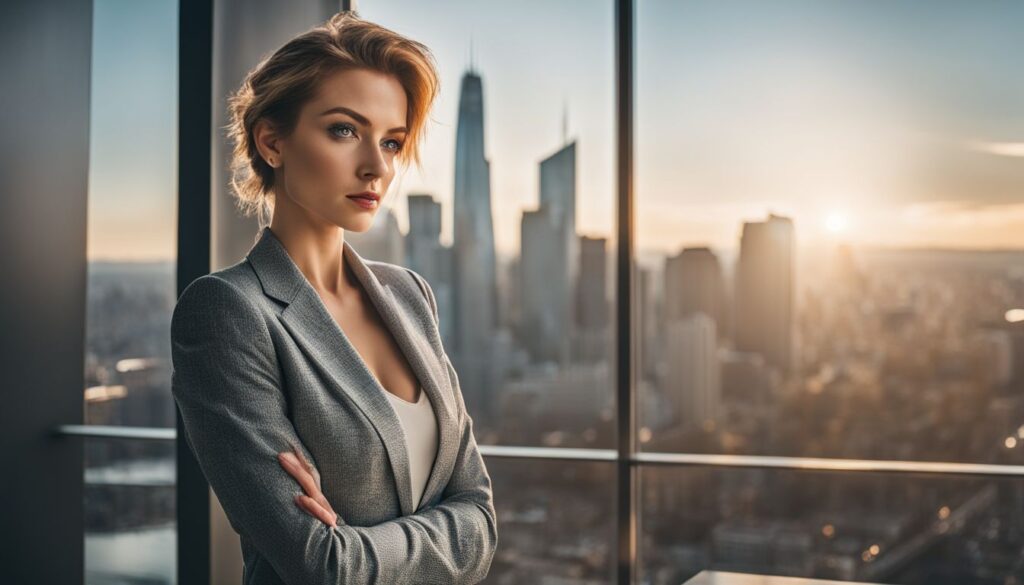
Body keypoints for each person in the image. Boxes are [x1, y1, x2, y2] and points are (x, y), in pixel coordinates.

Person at [170, 11, 497, 584]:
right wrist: (445, 531)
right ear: (272, 141)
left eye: (392, 141)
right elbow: (324, 566)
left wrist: (360, 540)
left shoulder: (409, 294)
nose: (377, 166)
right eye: (344, 130)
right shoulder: (227, 313)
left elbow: (483, 520)